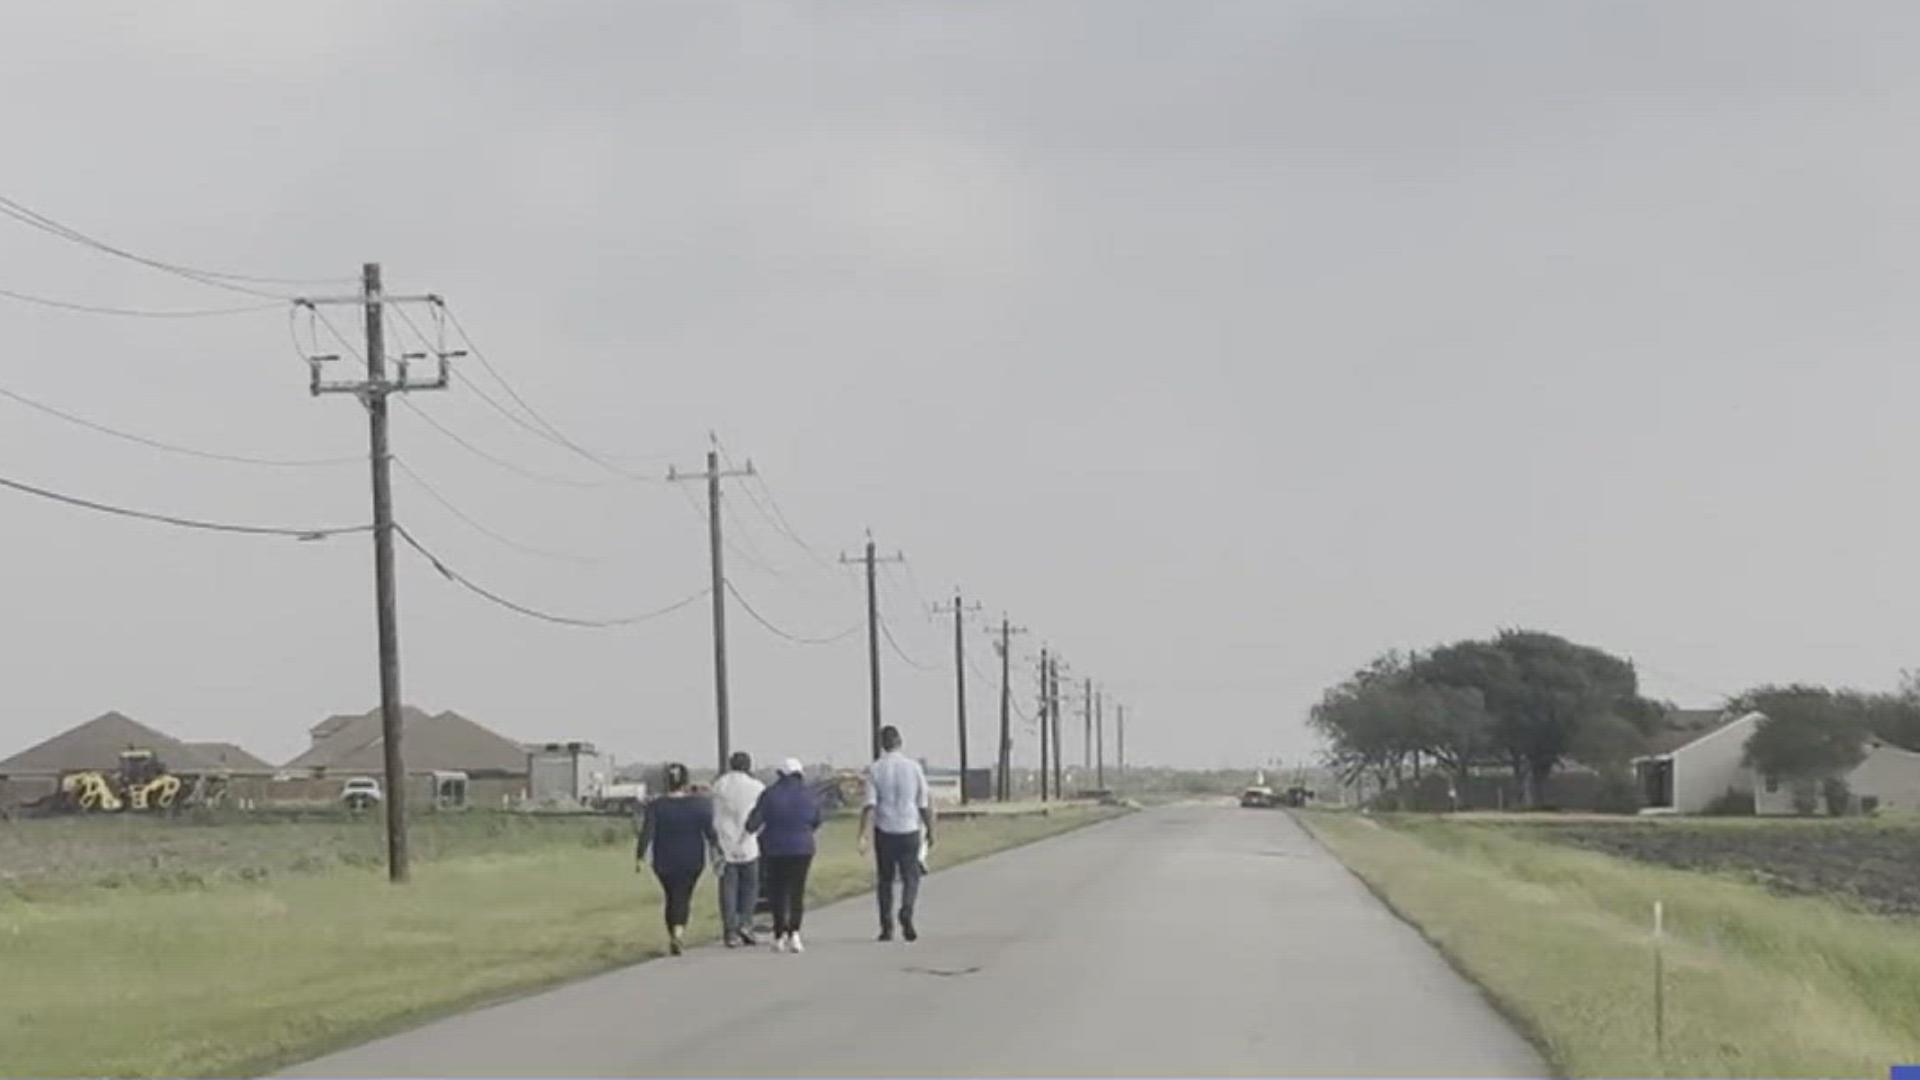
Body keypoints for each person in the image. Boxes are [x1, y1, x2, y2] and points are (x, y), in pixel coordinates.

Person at [859, 725, 934, 942]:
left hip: (885, 829)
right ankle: (907, 910)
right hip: (909, 827)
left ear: (882, 744)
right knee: (911, 876)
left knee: (885, 880)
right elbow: (923, 803)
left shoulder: (875, 769)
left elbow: (870, 805)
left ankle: (887, 926)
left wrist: (863, 833)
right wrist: (930, 829)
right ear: (900, 741)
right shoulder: (914, 767)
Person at [635, 762, 718, 956]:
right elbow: (710, 833)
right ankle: (678, 932)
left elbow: (647, 832)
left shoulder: (656, 806)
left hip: (664, 861)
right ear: (686, 782)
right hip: (692, 860)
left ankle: (673, 932)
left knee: (671, 896)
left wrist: (639, 856)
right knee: (683, 896)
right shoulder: (699, 805)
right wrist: (718, 850)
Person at [746, 757, 824, 954]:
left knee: (777, 892)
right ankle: (795, 933)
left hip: (774, 848)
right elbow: (816, 820)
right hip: (802, 848)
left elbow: (752, 824)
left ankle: (779, 934)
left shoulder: (769, 794)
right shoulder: (809, 795)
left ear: (780, 774)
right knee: (797, 890)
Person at [709, 751, 766, 948]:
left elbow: (714, 812)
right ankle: (746, 924)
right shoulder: (757, 786)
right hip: (748, 841)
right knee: (750, 888)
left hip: (725, 842)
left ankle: (730, 931)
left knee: (728, 889)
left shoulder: (720, 784)